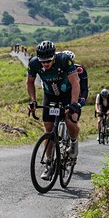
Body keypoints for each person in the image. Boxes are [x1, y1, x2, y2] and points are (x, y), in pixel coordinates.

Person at [26, 40, 81, 180]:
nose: (45, 64)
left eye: (48, 61)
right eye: (42, 61)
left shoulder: (64, 60)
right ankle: (49, 164)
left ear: (54, 56)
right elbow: (30, 82)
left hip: (67, 94)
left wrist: (74, 103)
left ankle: (73, 142)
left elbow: (75, 83)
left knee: (70, 121)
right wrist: (33, 101)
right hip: (50, 95)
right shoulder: (34, 63)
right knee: (49, 130)